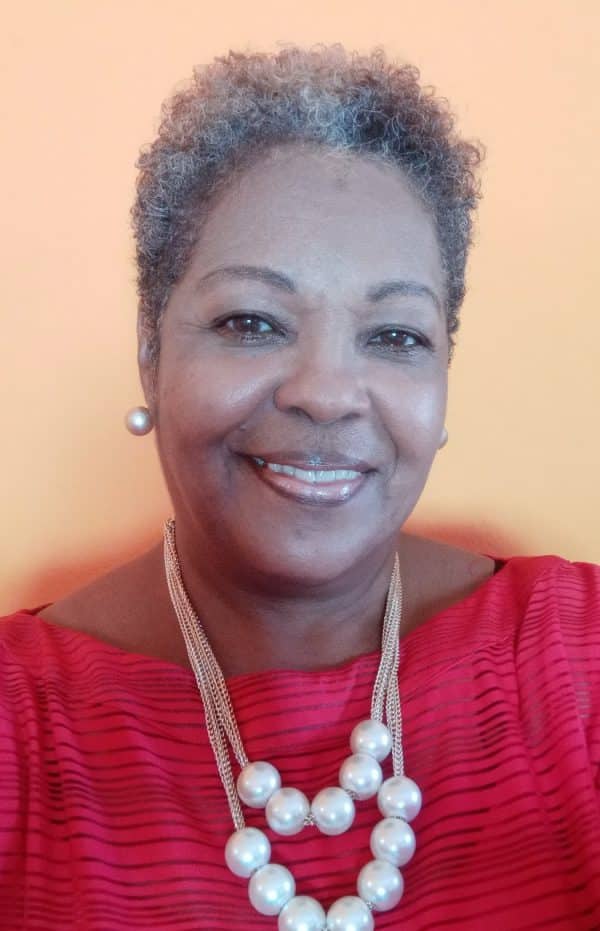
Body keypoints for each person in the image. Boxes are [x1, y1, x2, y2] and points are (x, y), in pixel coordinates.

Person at [1, 44, 599, 931]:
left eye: (395, 336)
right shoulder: (20, 724)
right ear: (150, 352)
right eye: (252, 321)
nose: (326, 392)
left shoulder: (577, 660)